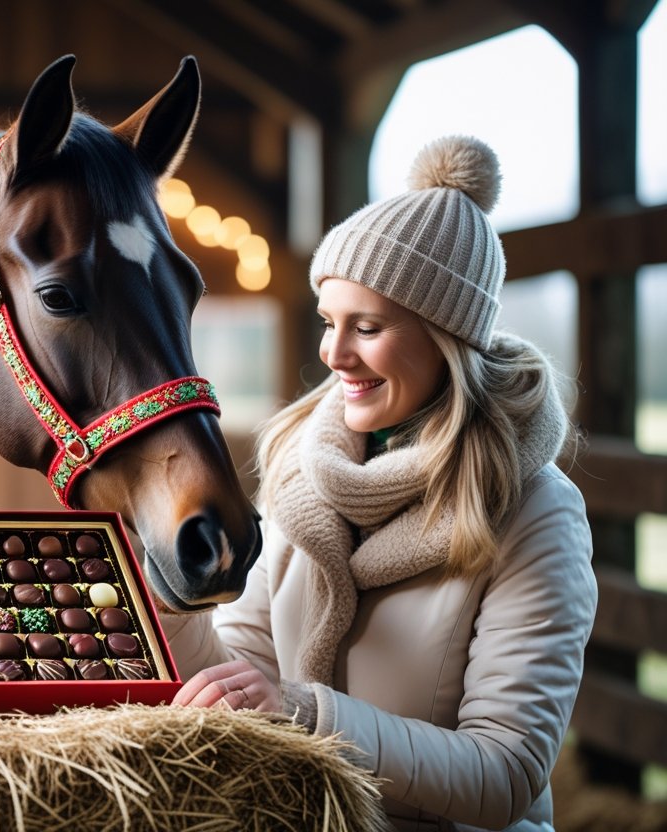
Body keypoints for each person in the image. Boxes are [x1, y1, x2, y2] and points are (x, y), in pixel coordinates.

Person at [163, 135, 597, 831]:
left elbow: (508, 772)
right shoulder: (304, 473)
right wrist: (169, 597)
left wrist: (305, 713)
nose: (334, 353)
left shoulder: (534, 512)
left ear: (445, 341)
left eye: (366, 327)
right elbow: (243, 671)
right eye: (330, 322)